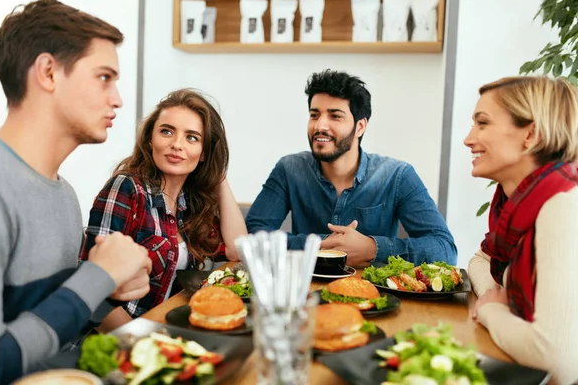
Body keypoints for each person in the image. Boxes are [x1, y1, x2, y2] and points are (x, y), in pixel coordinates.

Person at [0, 0, 153, 384]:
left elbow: (42, 317)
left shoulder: (64, 195)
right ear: (49, 72)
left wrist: (108, 286)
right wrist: (96, 276)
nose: (118, 99)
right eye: (104, 77)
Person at [246, 69, 457, 266]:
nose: (320, 125)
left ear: (360, 126)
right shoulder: (290, 169)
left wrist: (373, 248)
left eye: (335, 116)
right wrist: (318, 245)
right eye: (314, 114)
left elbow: (445, 250)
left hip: (376, 297)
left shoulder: (397, 175)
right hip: (306, 294)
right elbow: (253, 234)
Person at [80, 88, 247, 330]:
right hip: (122, 340)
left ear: (203, 153)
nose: (177, 145)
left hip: (169, 330)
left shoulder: (190, 203)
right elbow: (92, 288)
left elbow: (236, 250)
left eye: (192, 138)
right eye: (167, 132)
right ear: (150, 140)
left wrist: (218, 174)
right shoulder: (128, 188)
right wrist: (144, 341)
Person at [467, 76, 578, 384]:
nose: (468, 138)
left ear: (530, 135)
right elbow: (480, 261)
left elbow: (559, 358)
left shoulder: (564, 206)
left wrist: (490, 311)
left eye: (482, 123)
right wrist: (493, 294)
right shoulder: (514, 202)